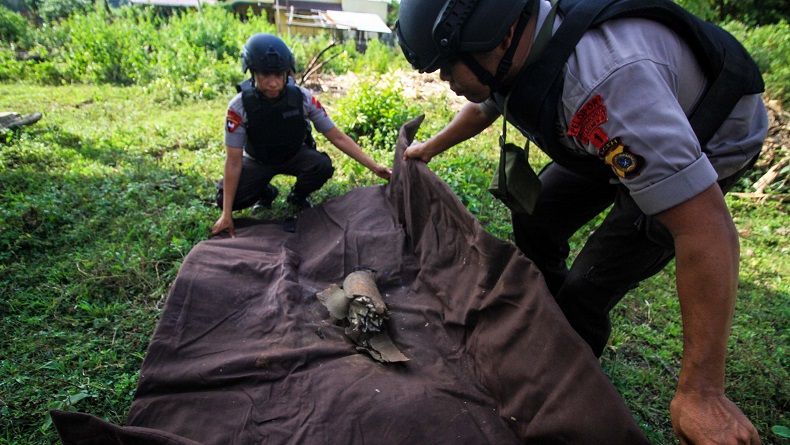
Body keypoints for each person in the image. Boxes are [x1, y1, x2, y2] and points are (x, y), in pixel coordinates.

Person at [396, 0, 767, 443]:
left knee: (587, 290)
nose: (446, 81)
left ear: (497, 38)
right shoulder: (520, 42)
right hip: (614, 129)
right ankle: (550, 312)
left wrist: (702, 392)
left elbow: (705, 228)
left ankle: (568, 366)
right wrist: (431, 148)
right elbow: (488, 103)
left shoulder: (603, 84)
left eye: (449, 67)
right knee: (536, 218)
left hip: (708, 133)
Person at [212, 33, 391, 237]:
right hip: (258, 160)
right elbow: (233, 161)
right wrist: (227, 214)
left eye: (279, 75)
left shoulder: (303, 98)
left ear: (287, 73)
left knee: (322, 166)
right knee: (225, 198)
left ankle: (298, 196)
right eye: (265, 75)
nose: (273, 83)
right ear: (252, 72)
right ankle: (266, 192)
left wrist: (375, 167)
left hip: (294, 155)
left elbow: (336, 136)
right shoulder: (238, 107)